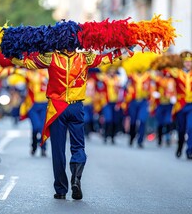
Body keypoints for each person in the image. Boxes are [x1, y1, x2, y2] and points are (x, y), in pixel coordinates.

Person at [11, 49, 123, 200]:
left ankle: (61, 189)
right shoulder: (85, 58)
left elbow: (28, 62)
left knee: (58, 150)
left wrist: (10, 53)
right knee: (78, 146)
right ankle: (76, 174)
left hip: (57, 108)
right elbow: (105, 59)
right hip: (76, 107)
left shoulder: (51, 58)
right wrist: (122, 50)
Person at [19, 69, 49, 157]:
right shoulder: (28, 73)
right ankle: (34, 145)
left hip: (44, 105)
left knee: (43, 127)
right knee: (36, 127)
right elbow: (17, 76)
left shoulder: (46, 72)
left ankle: (43, 148)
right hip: (32, 105)